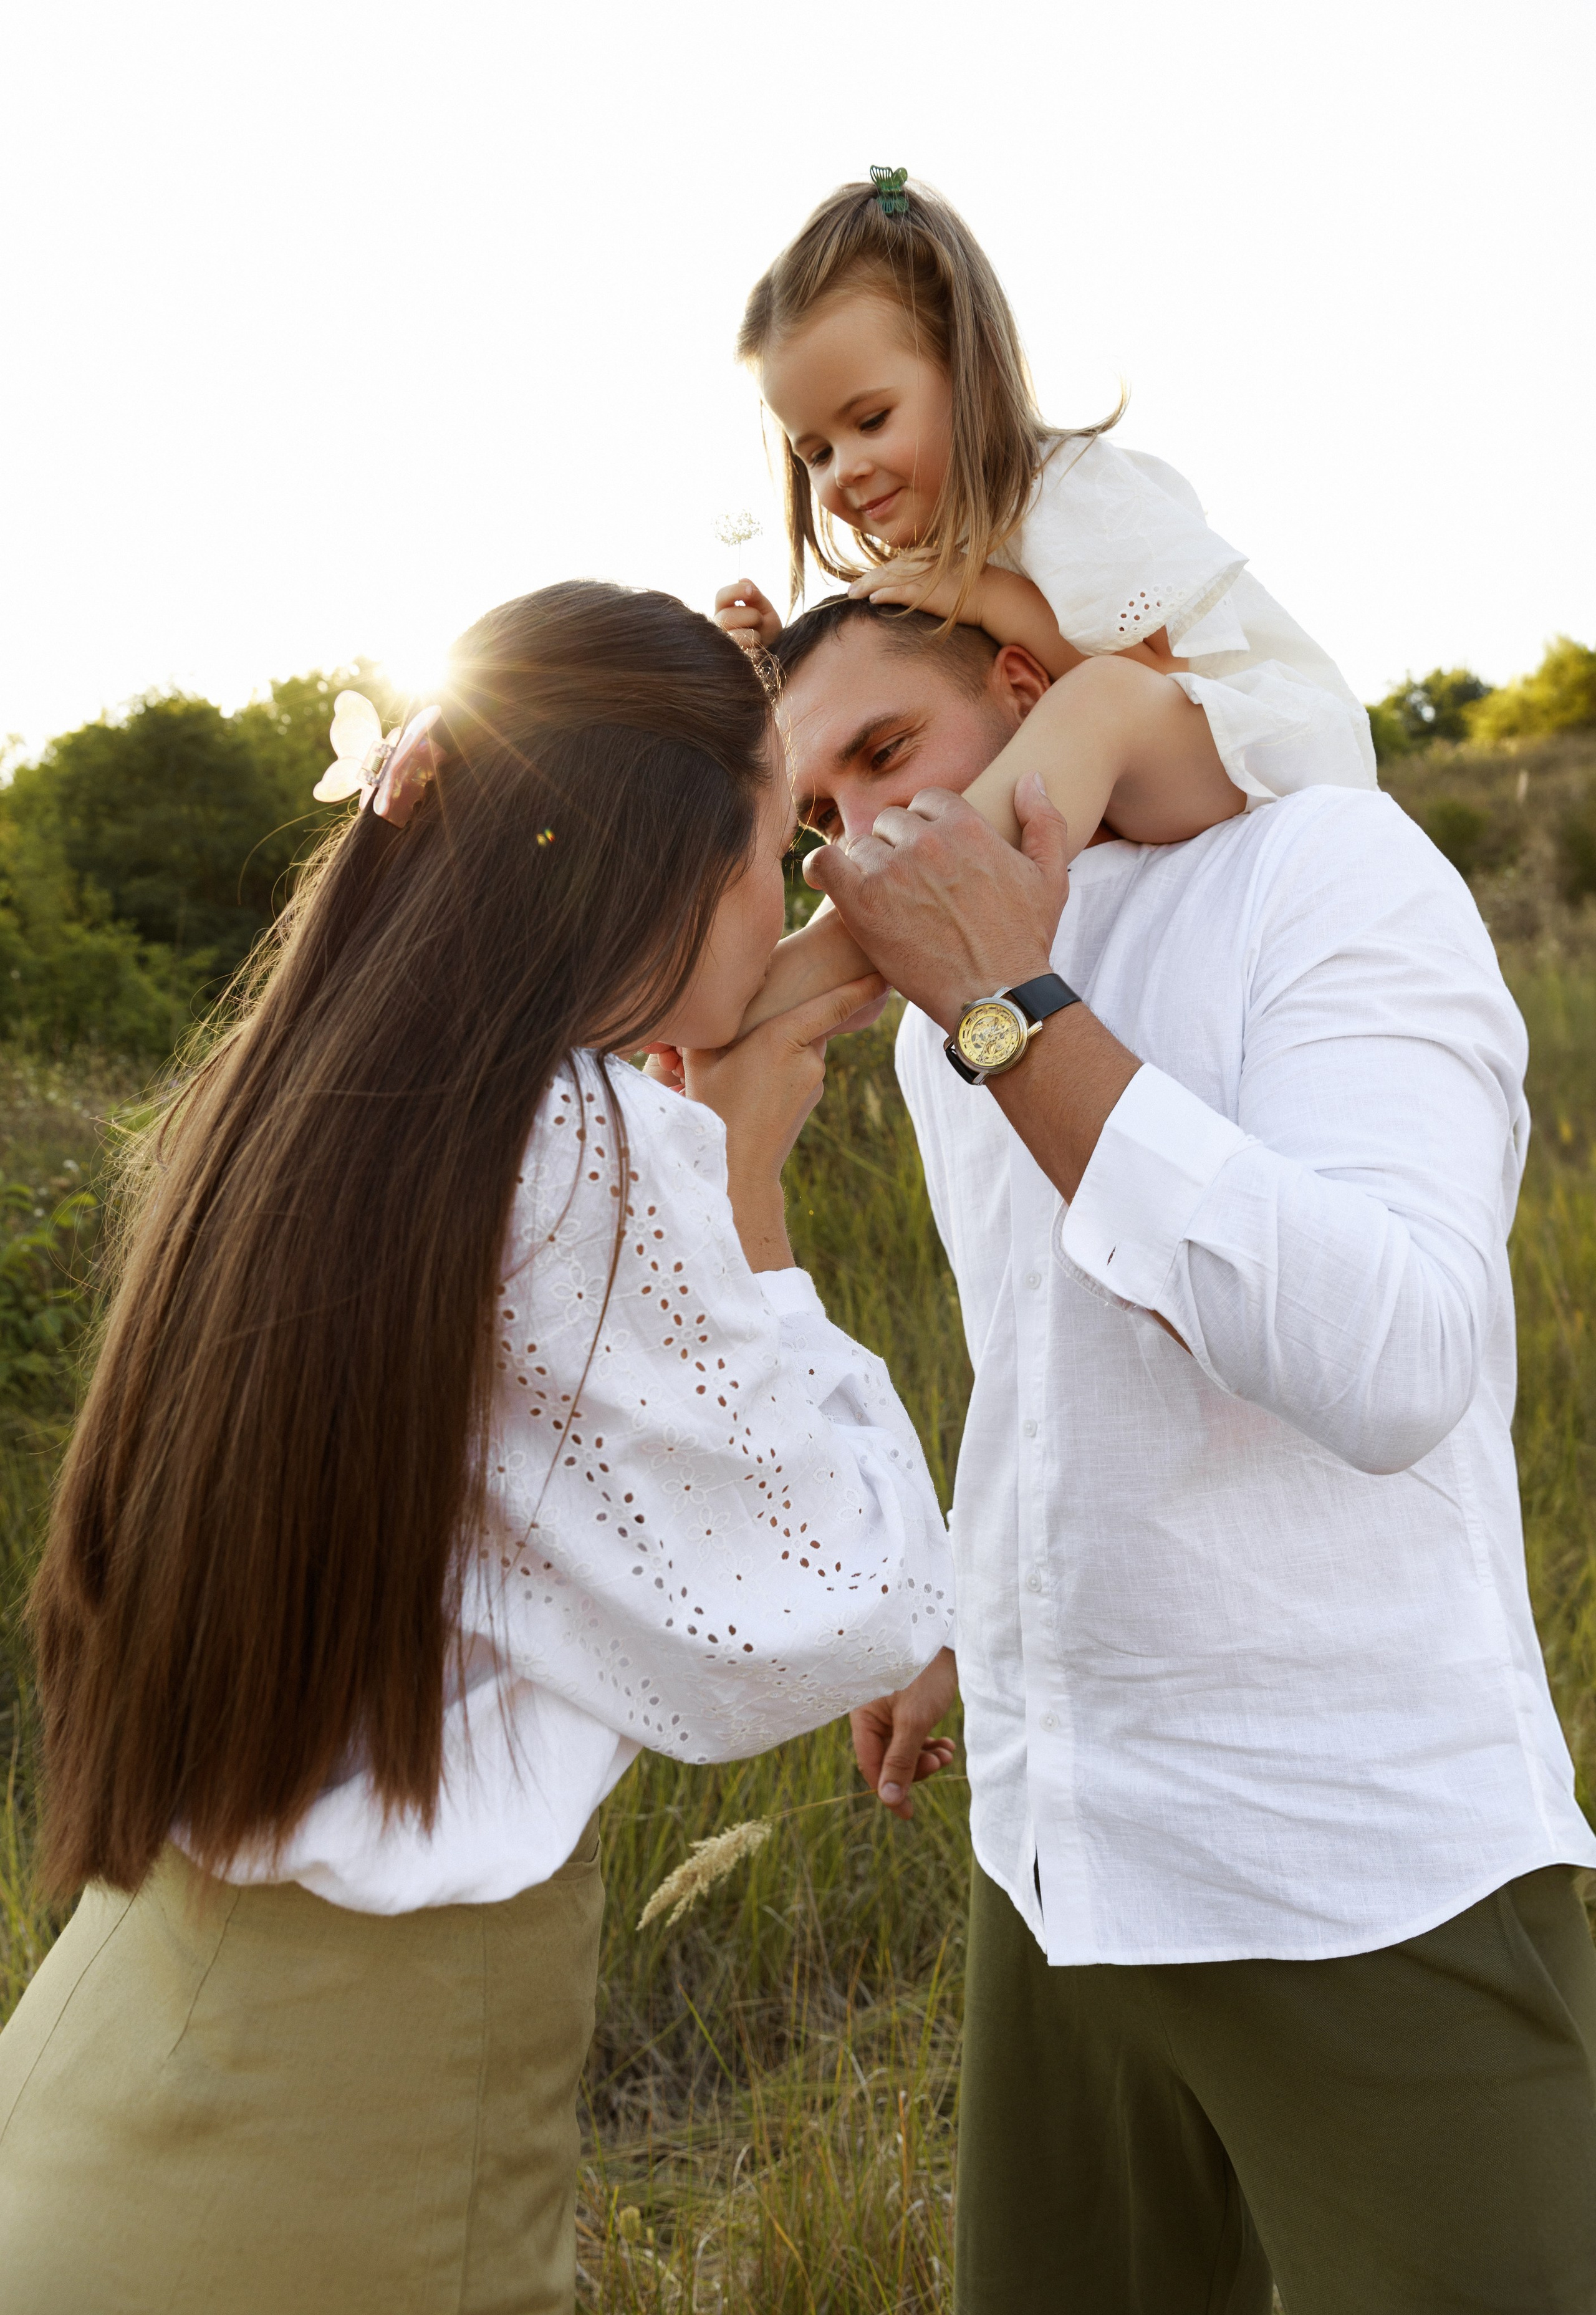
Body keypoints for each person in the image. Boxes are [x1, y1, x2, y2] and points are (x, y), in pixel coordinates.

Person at [0, 583, 954, 2314]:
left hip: (110, 2067)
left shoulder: (321, 1100)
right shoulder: (586, 1150)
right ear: (665, 871)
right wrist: (745, 1177)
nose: (793, 886)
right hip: (346, 2144)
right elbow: (846, 1600)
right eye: (770, 843)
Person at [766, 591, 1596, 2314]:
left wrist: (1010, 1002)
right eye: (819, 819)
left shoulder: (1329, 871)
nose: (866, 842)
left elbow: (1396, 1361)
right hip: (1059, 1847)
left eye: (888, 754)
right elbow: (1036, 1366)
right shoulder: (940, 1024)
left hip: (1354, 1863)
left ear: (1026, 688)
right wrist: (962, 1624)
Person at [718, 168, 1374, 888]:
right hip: (1153, 800)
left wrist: (989, 599)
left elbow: (1156, 683)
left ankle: (888, 901)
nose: (844, 469)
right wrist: (775, 663)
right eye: (815, 453)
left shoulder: (1063, 491)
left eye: (871, 420)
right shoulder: (940, 552)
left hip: (1263, 751)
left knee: (1098, 702)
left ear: (968, 371)